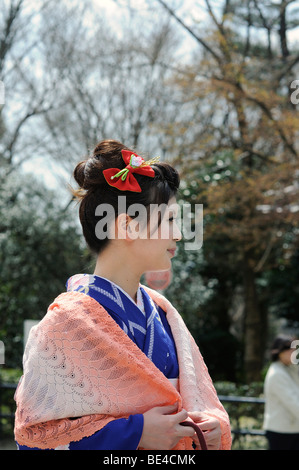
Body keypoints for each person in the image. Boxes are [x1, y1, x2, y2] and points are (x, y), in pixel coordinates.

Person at [14, 139, 231, 450]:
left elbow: (194, 405)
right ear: (127, 226)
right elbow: (37, 438)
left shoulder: (163, 314)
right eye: (169, 220)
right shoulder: (62, 326)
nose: (179, 234)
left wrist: (209, 427)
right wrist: (136, 433)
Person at [263, 334, 299, 450]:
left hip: (290, 430)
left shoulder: (288, 369)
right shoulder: (277, 374)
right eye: (289, 349)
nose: (293, 353)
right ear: (279, 352)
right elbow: (293, 403)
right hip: (281, 432)